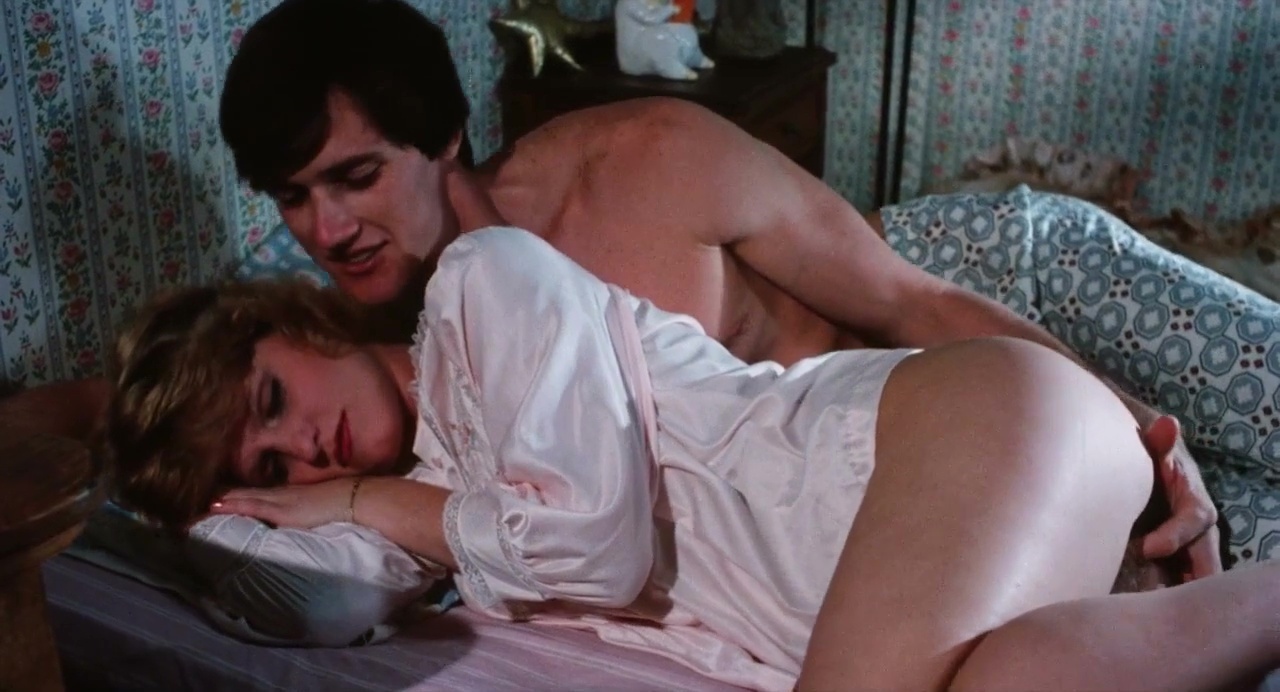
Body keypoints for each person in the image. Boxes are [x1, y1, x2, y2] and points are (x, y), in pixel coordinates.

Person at [2, 0, 1220, 577]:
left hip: (974, 281)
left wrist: (1146, 439)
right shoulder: (345, 313)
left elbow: (913, 302)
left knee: (1210, 445)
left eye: (354, 178)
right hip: (858, 492)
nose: (325, 228)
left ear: (442, 136)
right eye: (290, 196)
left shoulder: (640, 161)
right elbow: (144, 395)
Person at [101, 223, 1279, 692]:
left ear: (297, 324)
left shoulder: (479, 287)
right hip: (952, 563)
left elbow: (595, 545)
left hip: (938, 430)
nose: (301, 446)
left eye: (270, 398)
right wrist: (217, 517)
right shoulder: (419, 521)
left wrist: (358, 493)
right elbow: (319, 605)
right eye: (267, 463)